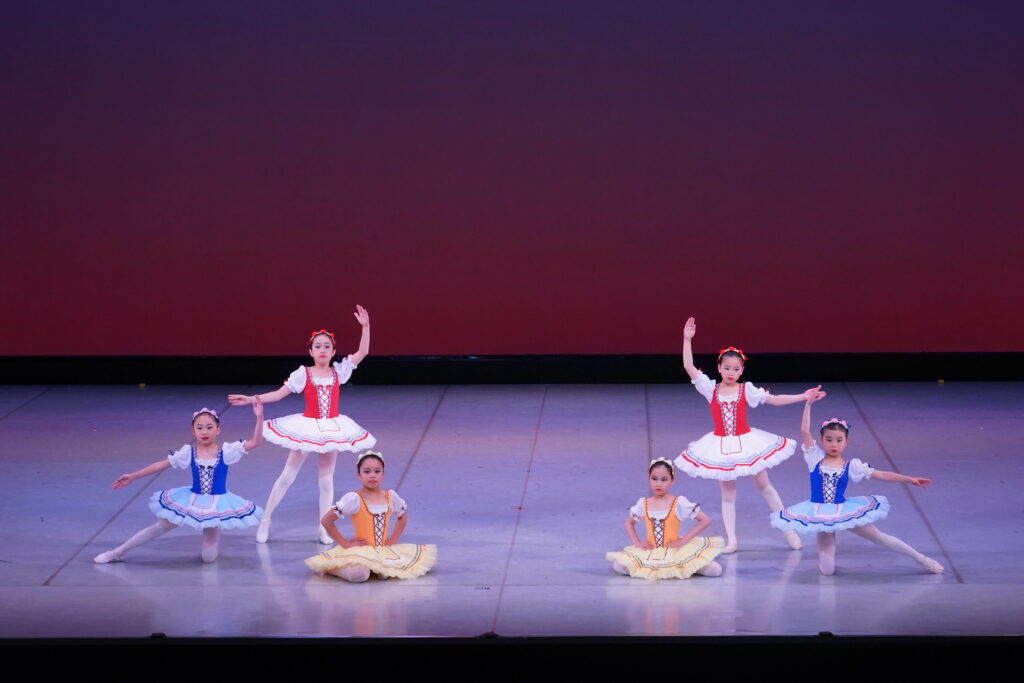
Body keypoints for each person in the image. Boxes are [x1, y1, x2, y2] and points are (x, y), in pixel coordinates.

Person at [675, 317, 824, 553]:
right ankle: (732, 540)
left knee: (765, 486)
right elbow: (688, 366)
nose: (731, 372)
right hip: (721, 447)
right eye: (726, 368)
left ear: (742, 370)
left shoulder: (747, 389)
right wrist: (687, 339)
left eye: (736, 369)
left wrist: (802, 396)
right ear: (719, 368)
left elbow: (774, 399)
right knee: (728, 495)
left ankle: (789, 530)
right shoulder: (711, 389)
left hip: (747, 444)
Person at [228, 306, 375, 544]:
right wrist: (251, 399)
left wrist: (365, 327)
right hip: (306, 429)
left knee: (326, 481)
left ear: (333, 351)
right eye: (318, 346)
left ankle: (323, 528)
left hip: (331, 429)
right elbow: (278, 394)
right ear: (310, 351)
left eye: (327, 346)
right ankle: (266, 520)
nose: (322, 350)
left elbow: (363, 352)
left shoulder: (339, 372)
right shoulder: (303, 374)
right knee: (287, 476)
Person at [771, 396, 944, 575]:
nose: (834, 444)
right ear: (821, 440)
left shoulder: (852, 466)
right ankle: (828, 551)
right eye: (829, 439)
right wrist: (808, 404)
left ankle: (921, 558)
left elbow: (881, 474)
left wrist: (909, 479)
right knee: (827, 571)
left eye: (839, 440)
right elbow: (804, 431)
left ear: (846, 442)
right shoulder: (814, 458)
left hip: (843, 512)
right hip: (819, 515)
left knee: (879, 537)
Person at [93, 401, 264, 564]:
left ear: (218, 429)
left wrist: (259, 417)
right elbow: (161, 464)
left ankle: (213, 535)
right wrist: (133, 476)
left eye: (209, 427)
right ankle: (118, 552)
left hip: (217, 504)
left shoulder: (226, 451)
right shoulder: (189, 452)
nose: (204, 432)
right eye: (199, 428)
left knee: (208, 558)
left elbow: (255, 442)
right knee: (160, 526)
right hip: (191, 500)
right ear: (193, 431)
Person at [305, 451, 436, 581]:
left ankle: (372, 568)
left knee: (387, 573)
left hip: (383, 549)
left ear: (383, 474)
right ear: (359, 475)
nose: (372, 475)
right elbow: (326, 520)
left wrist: (393, 539)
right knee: (359, 575)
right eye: (367, 472)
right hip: (360, 550)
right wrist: (345, 543)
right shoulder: (354, 498)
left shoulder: (390, 496)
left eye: (377, 471)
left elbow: (402, 517)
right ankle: (334, 567)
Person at [606, 458, 725, 580]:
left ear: (672, 481)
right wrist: (637, 542)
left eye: (664, 479)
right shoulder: (643, 503)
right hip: (651, 550)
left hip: (675, 549)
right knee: (618, 566)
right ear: (649, 478)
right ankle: (680, 568)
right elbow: (629, 523)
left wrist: (684, 540)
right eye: (654, 479)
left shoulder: (678, 502)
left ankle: (686, 566)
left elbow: (705, 520)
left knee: (715, 570)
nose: (658, 484)